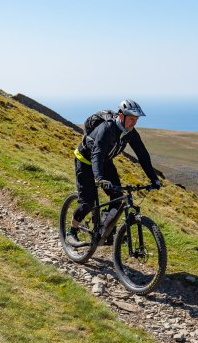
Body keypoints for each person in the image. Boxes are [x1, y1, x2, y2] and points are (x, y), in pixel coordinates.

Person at [67, 99, 161, 245]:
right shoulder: (107, 129)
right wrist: (99, 178)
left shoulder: (130, 133)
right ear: (122, 116)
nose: (134, 123)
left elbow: (142, 155)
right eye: (131, 119)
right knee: (88, 202)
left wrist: (154, 179)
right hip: (85, 161)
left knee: (117, 197)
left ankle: (105, 228)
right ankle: (71, 231)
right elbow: (96, 153)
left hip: (105, 162)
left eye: (136, 120)